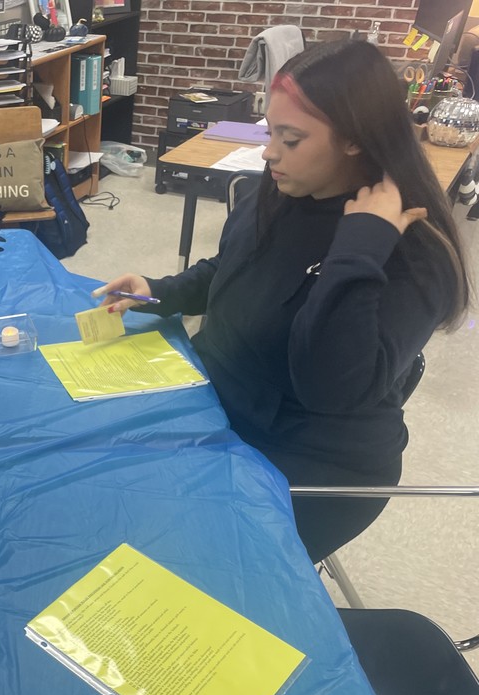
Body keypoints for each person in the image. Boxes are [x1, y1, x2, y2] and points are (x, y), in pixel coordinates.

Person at [95, 40, 472, 563]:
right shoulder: (279, 189)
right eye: (271, 131)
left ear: (356, 141)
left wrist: (358, 247)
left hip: (311, 458)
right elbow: (235, 270)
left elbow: (331, 387)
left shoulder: (414, 254)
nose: (270, 152)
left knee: (174, 557)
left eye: (290, 139)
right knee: (98, 483)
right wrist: (159, 290)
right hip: (222, 405)